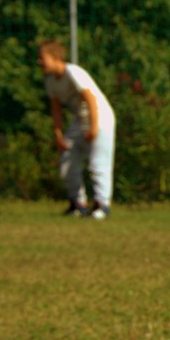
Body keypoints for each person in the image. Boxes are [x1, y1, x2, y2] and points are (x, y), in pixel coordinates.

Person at [37, 40, 117, 220]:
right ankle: (78, 204)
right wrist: (58, 135)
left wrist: (94, 129)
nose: (39, 62)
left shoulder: (73, 72)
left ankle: (101, 205)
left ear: (55, 57)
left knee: (98, 163)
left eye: (42, 58)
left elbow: (90, 99)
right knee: (67, 159)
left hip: (100, 117)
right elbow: (56, 108)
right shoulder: (51, 81)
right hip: (79, 121)